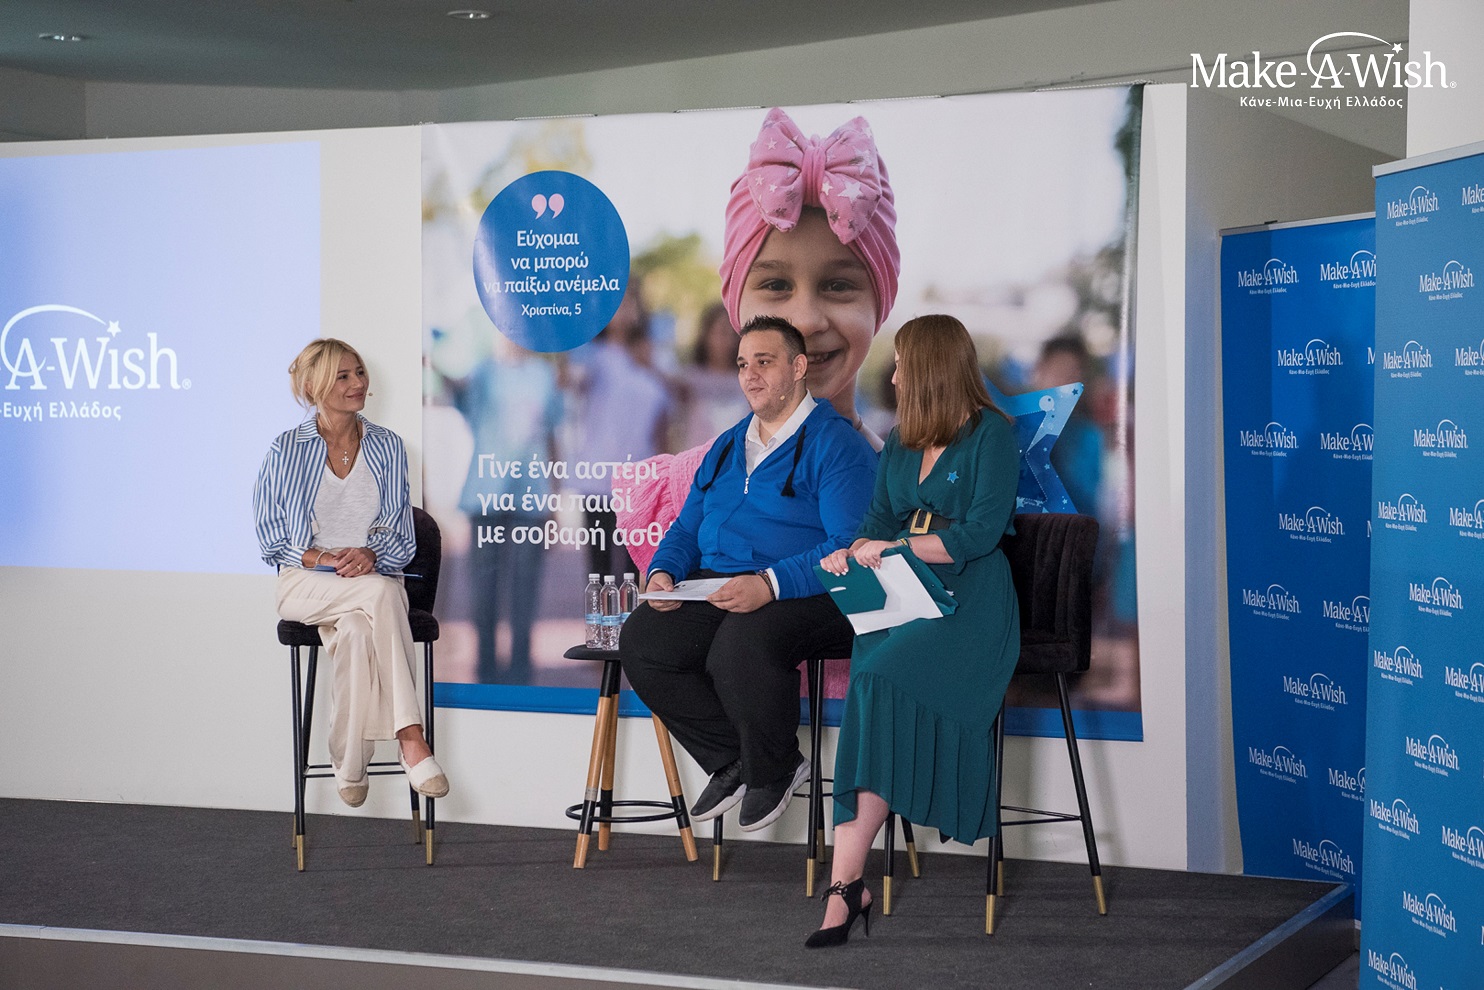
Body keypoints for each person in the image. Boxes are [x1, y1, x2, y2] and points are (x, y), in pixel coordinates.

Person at [619, 317, 878, 832]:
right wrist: (664, 571)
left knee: (740, 641)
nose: (750, 375)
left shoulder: (836, 444)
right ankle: (734, 759)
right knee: (645, 642)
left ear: (798, 367)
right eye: (742, 364)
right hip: (722, 581)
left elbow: (848, 546)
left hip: (818, 588)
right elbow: (687, 528)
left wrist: (770, 584)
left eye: (764, 362)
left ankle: (774, 766)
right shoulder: (726, 445)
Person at [616, 106, 900, 573]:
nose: (805, 321)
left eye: (838, 286)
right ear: (735, 305)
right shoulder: (690, 483)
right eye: (776, 285)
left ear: (880, 303)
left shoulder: (915, 486)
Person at [811, 315, 1020, 948]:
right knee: (869, 686)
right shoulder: (901, 440)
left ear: (929, 369)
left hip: (971, 602)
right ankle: (846, 887)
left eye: (902, 364)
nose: (894, 375)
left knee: (875, 679)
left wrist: (893, 546)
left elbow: (979, 535)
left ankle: (846, 886)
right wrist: (850, 554)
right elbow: (874, 523)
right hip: (903, 595)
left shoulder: (992, 435)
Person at [253, 338, 448, 806]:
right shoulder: (286, 449)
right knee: (380, 595)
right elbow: (270, 538)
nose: (357, 383)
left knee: (360, 629)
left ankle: (350, 758)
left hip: (371, 579)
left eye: (359, 372)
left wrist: (371, 554)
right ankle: (410, 736)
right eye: (342, 376)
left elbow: (402, 533)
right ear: (314, 387)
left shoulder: (387, 446)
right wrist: (321, 557)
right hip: (305, 583)